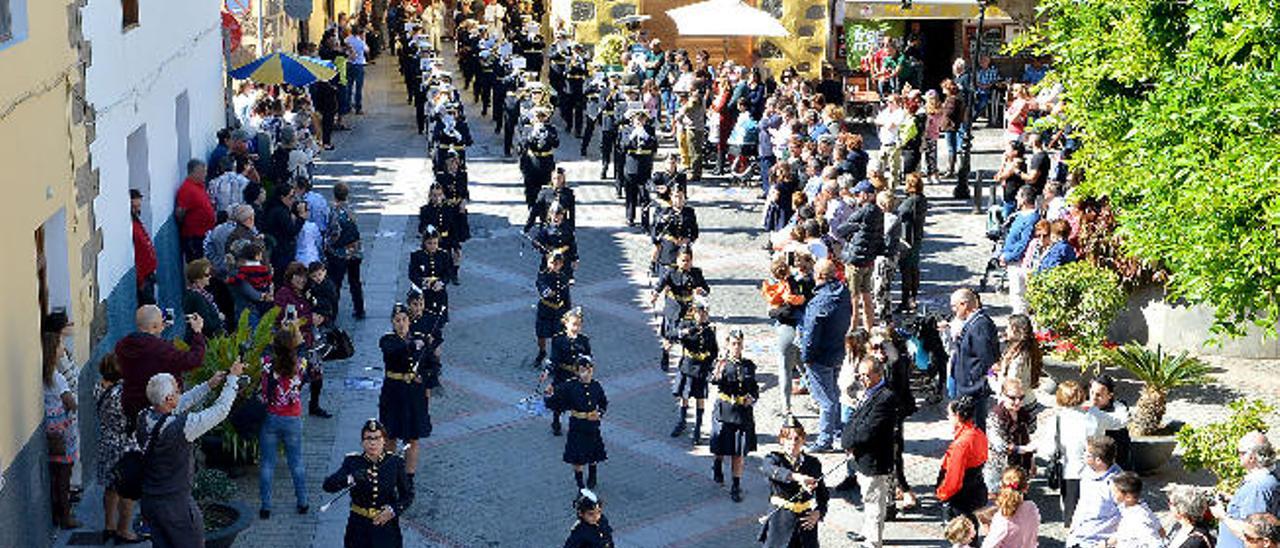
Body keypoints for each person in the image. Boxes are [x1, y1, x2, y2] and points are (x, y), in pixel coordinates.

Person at [136, 361, 244, 548]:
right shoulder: (183, 427)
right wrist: (233, 379)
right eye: (177, 391)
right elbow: (220, 411)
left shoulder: (144, 416)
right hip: (175, 504)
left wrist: (208, 385)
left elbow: (176, 405)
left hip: (150, 501)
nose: (180, 392)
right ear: (169, 398)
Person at [1038, 381, 1127, 526]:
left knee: (1072, 518)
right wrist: (1118, 405)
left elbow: (1048, 451)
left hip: (1069, 472)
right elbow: (1120, 422)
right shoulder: (1095, 414)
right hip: (1095, 471)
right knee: (1096, 514)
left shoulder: (1056, 419)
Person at [323, 419, 414, 548]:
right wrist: (351, 478)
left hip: (386, 527)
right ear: (362, 442)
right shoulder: (353, 462)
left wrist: (393, 510)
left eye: (377, 438)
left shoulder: (395, 463)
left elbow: (408, 495)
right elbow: (328, 486)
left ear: (384, 441)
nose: (372, 443)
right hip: (358, 527)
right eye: (368, 438)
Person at [840, 357, 899, 548]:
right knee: (867, 496)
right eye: (861, 375)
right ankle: (867, 532)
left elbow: (869, 429)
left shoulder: (886, 397)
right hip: (862, 457)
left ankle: (873, 541)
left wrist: (850, 442)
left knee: (875, 501)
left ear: (878, 374)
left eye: (866, 375)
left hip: (875, 459)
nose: (862, 379)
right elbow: (855, 420)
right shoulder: (867, 392)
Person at [114, 305, 207, 423]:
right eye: (160, 322)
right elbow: (194, 360)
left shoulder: (123, 345)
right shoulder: (160, 350)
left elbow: (148, 352)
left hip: (131, 404)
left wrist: (157, 331)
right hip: (157, 410)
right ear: (154, 326)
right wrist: (198, 332)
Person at [798, 258, 853, 452]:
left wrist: (806, 357)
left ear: (820, 276)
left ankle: (824, 439)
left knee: (825, 400)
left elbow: (811, 333)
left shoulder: (819, 302)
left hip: (819, 356)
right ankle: (838, 430)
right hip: (837, 350)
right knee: (834, 393)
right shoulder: (844, 293)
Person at [258, 327, 310, 519]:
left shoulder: (266, 365)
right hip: (293, 418)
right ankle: (303, 501)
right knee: (296, 462)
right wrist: (294, 330)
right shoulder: (299, 366)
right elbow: (304, 351)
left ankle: (266, 506)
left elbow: (264, 350)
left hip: (271, 417)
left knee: (267, 463)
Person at [379, 304, 433, 485]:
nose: (401, 324)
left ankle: (409, 476)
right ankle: (389, 471)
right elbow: (393, 353)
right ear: (392, 323)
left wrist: (424, 380)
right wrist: (412, 345)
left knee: (413, 437)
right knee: (390, 435)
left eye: (404, 320)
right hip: (393, 394)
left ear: (410, 321)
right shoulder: (387, 340)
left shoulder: (420, 339)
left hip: (414, 395)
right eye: (397, 321)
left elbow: (431, 365)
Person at [94, 353, 145, 543]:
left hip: (106, 442)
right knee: (128, 489)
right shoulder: (123, 393)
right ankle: (124, 530)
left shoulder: (99, 387)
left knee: (111, 487)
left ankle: (109, 526)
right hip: (125, 445)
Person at [760, 416, 829, 548]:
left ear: (803, 440)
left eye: (797, 439)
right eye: (788, 438)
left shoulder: (813, 463)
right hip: (780, 520)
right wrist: (798, 477)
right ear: (781, 440)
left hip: (805, 520)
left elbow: (823, 494)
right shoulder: (773, 459)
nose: (792, 443)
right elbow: (771, 470)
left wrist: (819, 512)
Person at [544, 356, 609, 489]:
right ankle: (581, 486)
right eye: (582, 370)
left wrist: (599, 413)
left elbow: (603, 402)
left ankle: (592, 474)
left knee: (593, 453)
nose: (586, 372)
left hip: (592, 425)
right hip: (577, 425)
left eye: (588, 369)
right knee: (577, 457)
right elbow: (554, 399)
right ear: (577, 372)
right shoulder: (570, 386)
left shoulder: (596, 385)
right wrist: (549, 394)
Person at [709, 329, 758, 503]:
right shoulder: (721, 363)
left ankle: (735, 485)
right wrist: (719, 367)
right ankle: (717, 464)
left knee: (739, 452)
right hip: (725, 411)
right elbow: (713, 380)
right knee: (721, 448)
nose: (737, 347)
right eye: (734, 343)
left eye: (739, 343)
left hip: (743, 414)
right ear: (728, 345)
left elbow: (754, 387)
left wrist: (752, 398)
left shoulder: (748, 365)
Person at [944, 288, 999, 431]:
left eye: (954, 307)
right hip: (967, 385)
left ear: (964, 304)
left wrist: (984, 383)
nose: (954, 311)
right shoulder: (972, 323)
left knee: (974, 429)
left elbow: (989, 361)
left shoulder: (980, 325)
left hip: (973, 389)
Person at [834, 180, 884, 332]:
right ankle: (869, 328)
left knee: (853, 297)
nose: (856, 196)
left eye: (858, 193)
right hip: (869, 259)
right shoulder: (878, 211)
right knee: (867, 296)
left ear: (866, 195)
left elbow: (841, 230)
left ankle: (852, 328)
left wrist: (855, 227)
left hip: (855, 260)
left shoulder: (863, 211)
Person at [1215, 432, 1280, 548]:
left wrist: (1221, 515)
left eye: (1241, 453)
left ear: (1252, 457)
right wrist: (1233, 499)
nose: (1238, 456)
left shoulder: (1257, 486)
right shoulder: (1265, 478)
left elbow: (1252, 533)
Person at [651, 245, 709, 371]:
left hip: (690, 310)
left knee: (689, 336)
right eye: (683, 260)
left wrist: (701, 291)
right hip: (674, 309)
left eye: (688, 260)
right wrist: (655, 294)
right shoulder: (671, 272)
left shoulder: (696, 273)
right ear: (677, 260)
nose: (685, 263)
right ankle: (665, 354)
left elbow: (706, 289)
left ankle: (686, 361)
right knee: (672, 337)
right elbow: (661, 283)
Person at [43, 332, 80, 530]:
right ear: (52, 351)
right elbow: (70, 403)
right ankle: (65, 516)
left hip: (50, 434)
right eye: (60, 345)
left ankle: (58, 512)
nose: (63, 348)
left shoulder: (42, 376)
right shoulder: (58, 378)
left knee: (55, 476)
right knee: (64, 478)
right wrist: (75, 404)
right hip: (64, 435)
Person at [937, 396, 989, 534]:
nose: (948, 417)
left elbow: (954, 478)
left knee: (961, 534)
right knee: (971, 529)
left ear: (958, 416)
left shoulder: (961, 444)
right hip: (976, 488)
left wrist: (942, 494)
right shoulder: (978, 434)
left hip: (961, 497)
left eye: (950, 414)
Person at [1062, 436, 1124, 548]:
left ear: (1098, 460)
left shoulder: (1118, 483)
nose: (1083, 455)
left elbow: (1131, 519)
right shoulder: (1086, 473)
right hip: (1077, 541)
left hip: (1098, 543)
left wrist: (1108, 543)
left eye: (1088, 454)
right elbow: (1082, 504)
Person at [671, 301, 718, 445]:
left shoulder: (709, 331)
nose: (702, 315)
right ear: (694, 312)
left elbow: (714, 351)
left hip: (701, 368)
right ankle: (682, 421)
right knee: (684, 396)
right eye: (699, 312)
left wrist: (710, 365)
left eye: (704, 313)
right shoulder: (686, 325)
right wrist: (684, 333)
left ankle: (697, 427)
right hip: (688, 366)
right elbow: (672, 335)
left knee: (700, 398)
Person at [542, 307, 592, 436]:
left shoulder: (584, 339)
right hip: (562, 375)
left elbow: (588, 355)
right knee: (559, 400)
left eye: (579, 325)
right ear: (566, 323)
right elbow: (554, 358)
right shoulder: (558, 339)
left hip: (577, 376)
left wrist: (586, 365)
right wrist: (548, 369)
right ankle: (556, 421)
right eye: (574, 324)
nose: (577, 327)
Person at [984, 377, 1034, 494]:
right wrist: (1021, 449)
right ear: (1002, 395)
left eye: (1021, 398)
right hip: (1000, 471)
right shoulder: (995, 415)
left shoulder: (1023, 413)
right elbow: (999, 445)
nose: (1017, 402)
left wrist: (1031, 460)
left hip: (1020, 469)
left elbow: (1027, 437)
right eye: (1012, 398)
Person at [327, 182, 366, 319]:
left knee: (336, 282)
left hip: (340, 253)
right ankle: (359, 308)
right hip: (355, 251)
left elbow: (334, 232)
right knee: (355, 281)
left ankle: (334, 311)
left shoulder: (335, 211)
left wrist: (329, 245)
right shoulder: (352, 209)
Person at [981, 466, 1041, 548]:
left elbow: (989, 545)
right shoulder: (1032, 507)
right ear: (1026, 487)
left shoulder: (1003, 517)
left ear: (1001, 487)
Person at [1102, 472, 1166, 548]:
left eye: (1116, 492)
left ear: (1128, 497)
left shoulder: (1137, 518)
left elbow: (1156, 543)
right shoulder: (1140, 508)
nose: (1113, 494)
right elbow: (1161, 531)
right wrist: (1107, 543)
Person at [993, 314, 1043, 406]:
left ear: (1016, 330)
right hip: (1028, 398)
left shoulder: (1019, 356)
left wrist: (991, 377)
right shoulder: (1029, 348)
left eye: (1008, 328)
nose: (1005, 331)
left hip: (1016, 404)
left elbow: (1011, 384)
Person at [534, 251, 573, 365]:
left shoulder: (564, 278)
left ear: (561, 264)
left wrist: (568, 312)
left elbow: (566, 296)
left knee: (557, 337)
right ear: (548, 263)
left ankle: (554, 360)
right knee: (541, 334)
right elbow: (540, 284)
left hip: (559, 312)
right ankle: (542, 352)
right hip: (545, 309)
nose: (554, 265)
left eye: (557, 263)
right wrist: (546, 291)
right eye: (552, 263)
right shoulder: (543, 275)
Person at [896, 174, 928, 312]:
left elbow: (899, 213)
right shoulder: (921, 199)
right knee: (914, 269)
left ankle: (906, 299)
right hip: (916, 238)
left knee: (907, 270)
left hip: (908, 239)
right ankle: (913, 297)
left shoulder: (911, 201)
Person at [175, 159, 215, 262]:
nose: (205, 174)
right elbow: (180, 213)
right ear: (193, 172)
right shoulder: (186, 189)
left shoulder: (199, 186)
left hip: (203, 235)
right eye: (203, 172)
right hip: (194, 237)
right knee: (196, 266)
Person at [1090, 375, 1132, 470]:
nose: (1094, 398)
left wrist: (1095, 414)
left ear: (1110, 395)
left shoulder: (1119, 409)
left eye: (1099, 395)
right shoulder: (1086, 408)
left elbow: (1120, 421)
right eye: (1092, 393)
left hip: (1117, 462)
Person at [183, 259, 225, 337]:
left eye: (210, 274)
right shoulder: (196, 297)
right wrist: (219, 318)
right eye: (207, 275)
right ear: (197, 278)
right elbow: (207, 324)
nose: (210, 277)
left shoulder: (201, 294)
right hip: (204, 341)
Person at [131, 189, 159, 305]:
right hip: (143, 280)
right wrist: (141, 280)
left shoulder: (137, 223)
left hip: (149, 276)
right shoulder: (131, 226)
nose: (137, 209)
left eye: (138, 206)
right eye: (134, 206)